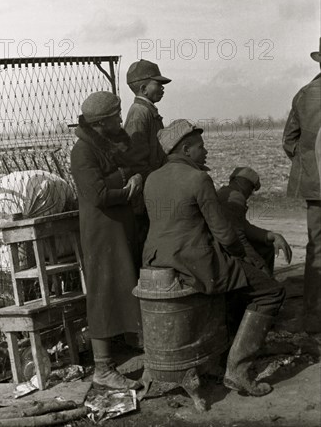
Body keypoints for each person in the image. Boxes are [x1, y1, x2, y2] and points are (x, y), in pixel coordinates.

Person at [143, 120, 285, 396]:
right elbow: (225, 234)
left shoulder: (152, 178)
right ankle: (238, 372)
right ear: (186, 149)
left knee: (240, 282)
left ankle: (227, 348)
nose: (205, 152)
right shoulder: (198, 179)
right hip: (192, 263)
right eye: (201, 147)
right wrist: (251, 261)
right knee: (271, 291)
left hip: (156, 260)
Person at [70, 91, 143, 390]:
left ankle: (132, 342)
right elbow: (97, 194)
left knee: (126, 284)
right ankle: (102, 368)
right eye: (115, 115)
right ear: (101, 122)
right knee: (102, 291)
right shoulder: (83, 152)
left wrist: (130, 176)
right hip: (101, 231)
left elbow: (128, 168)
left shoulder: (111, 143)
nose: (119, 118)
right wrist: (128, 184)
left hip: (118, 227)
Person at [283, 38, 321, 334]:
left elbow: (289, 141)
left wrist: (310, 163)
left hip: (316, 185)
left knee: (317, 247)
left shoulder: (304, 94)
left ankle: (312, 317)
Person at [124, 59, 171, 248]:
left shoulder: (146, 111)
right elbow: (136, 160)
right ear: (143, 88)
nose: (162, 88)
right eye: (158, 84)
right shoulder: (139, 113)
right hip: (145, 194)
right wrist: (156, 182)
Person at [217, 166, 292, 276]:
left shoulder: (224, 192)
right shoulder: (235, 197)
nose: (251, 194)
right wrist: (260, 266)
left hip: (221, 246)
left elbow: (242, 225)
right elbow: (239, 237)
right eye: (251, 189)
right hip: (224, 251)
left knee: (266, 246)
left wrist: (270, 235)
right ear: (244, 184)